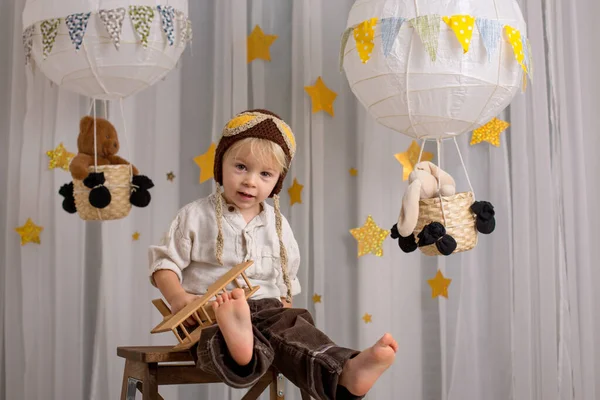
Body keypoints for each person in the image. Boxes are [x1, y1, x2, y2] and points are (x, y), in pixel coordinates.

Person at [148, 109, 398, 399]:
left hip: (266, 309)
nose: (250, 181)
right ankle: (239, 340)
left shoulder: (278, 225)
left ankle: (346, 368)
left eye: (264, 174)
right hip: (211, 311)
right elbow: (164, 264)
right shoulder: (195, 215)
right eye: (241, 167)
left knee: (296, 330)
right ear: (221, 165)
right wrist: (179, 299)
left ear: (277, 181)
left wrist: (285, 304)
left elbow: (286, 276)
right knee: (212, 341)